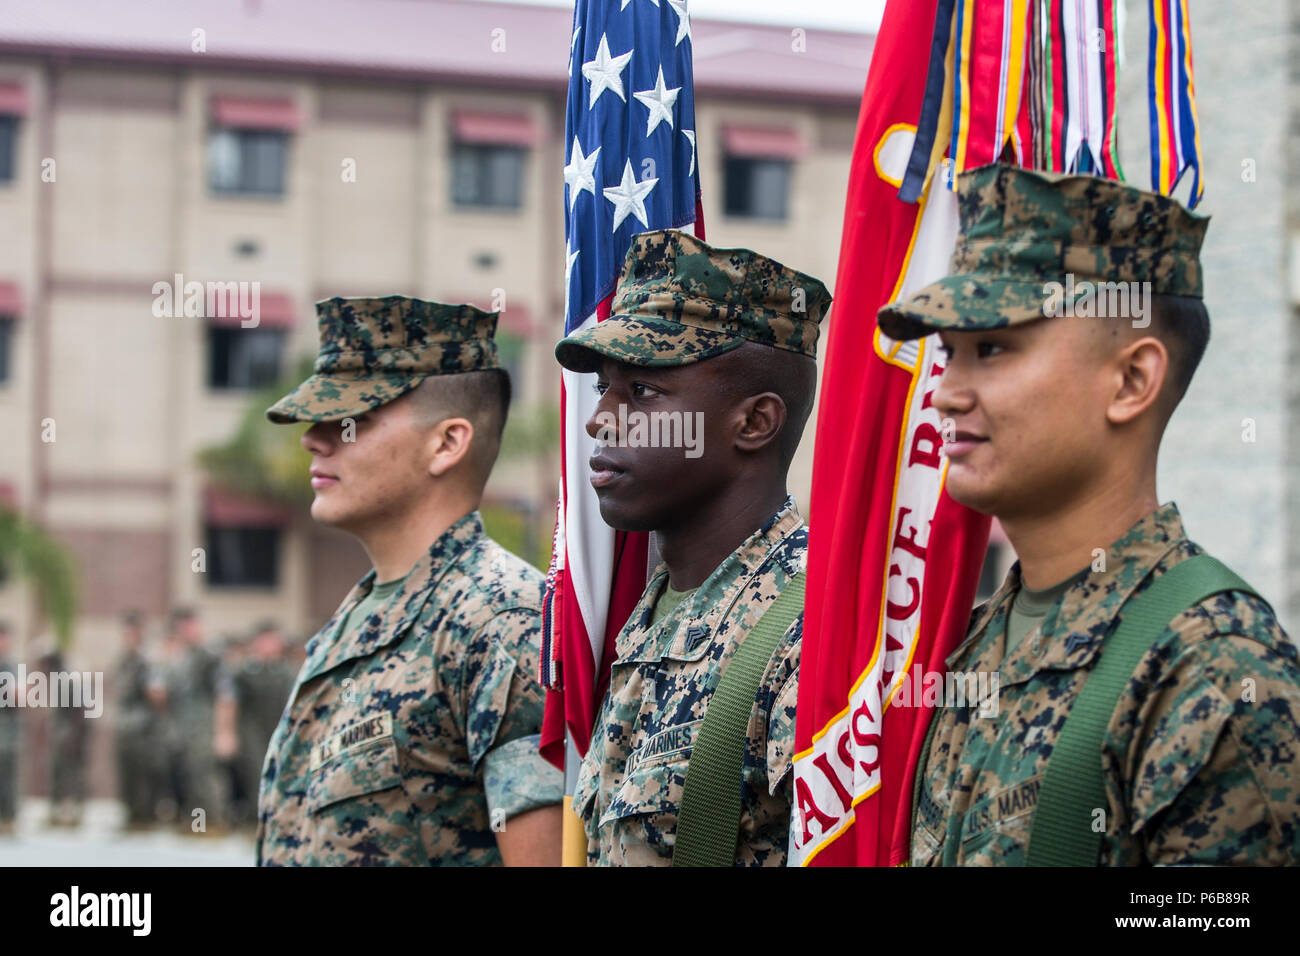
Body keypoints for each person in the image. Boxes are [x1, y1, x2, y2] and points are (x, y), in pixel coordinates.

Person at [877, 163, 1300, 865]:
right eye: (948, 354)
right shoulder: (981, 639)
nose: (946, 392)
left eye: (992, 349)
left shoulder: (1212, 667)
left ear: (1132, 380)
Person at [555, 229, 831, 866]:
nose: (601, 418)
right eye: (604, 388)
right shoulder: (643, 616)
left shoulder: (810, 633)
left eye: (644, 393)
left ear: (755, 422)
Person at [257, 295, 562, 866]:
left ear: (447, 442)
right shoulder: (354, 622)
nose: (314, 439)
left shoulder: (501, 623)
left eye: (351, 420)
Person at [150, 608, 230, 833]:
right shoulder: (180, 659)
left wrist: (225, 732)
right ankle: (197, 824)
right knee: (191, 775)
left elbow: (226, 697)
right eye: (183, 628)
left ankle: (214, 821)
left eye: (191, 627)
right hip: (184, 729)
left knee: (206, 776)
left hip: (204, 727)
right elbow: (162, 697)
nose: (188, 632)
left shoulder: (209, 657)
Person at [227, 622, 294, 828]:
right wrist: (228, 733)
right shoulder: (245, 672)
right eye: (264, 641)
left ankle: (278, 819)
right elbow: (230, 703)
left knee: (281, 772)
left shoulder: (286, 671)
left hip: (279, 730)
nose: (269, 646)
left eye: (273, 641)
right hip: (252, 732)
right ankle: (257, 821)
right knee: (256, 774)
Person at [114, 610, 159, 829]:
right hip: (125, 727)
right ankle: (130, 815)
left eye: (133, 632)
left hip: (143, 728)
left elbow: (156, 696)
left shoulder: (148, 662)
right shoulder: (122, 661)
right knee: (126, 773)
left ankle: (143, 818)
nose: (129, 636)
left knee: (143, 775)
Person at [0, 622, 20, 835]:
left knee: (7, 774)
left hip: (7, 730)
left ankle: (8, 818)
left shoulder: (13, 666)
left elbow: (20, 695)